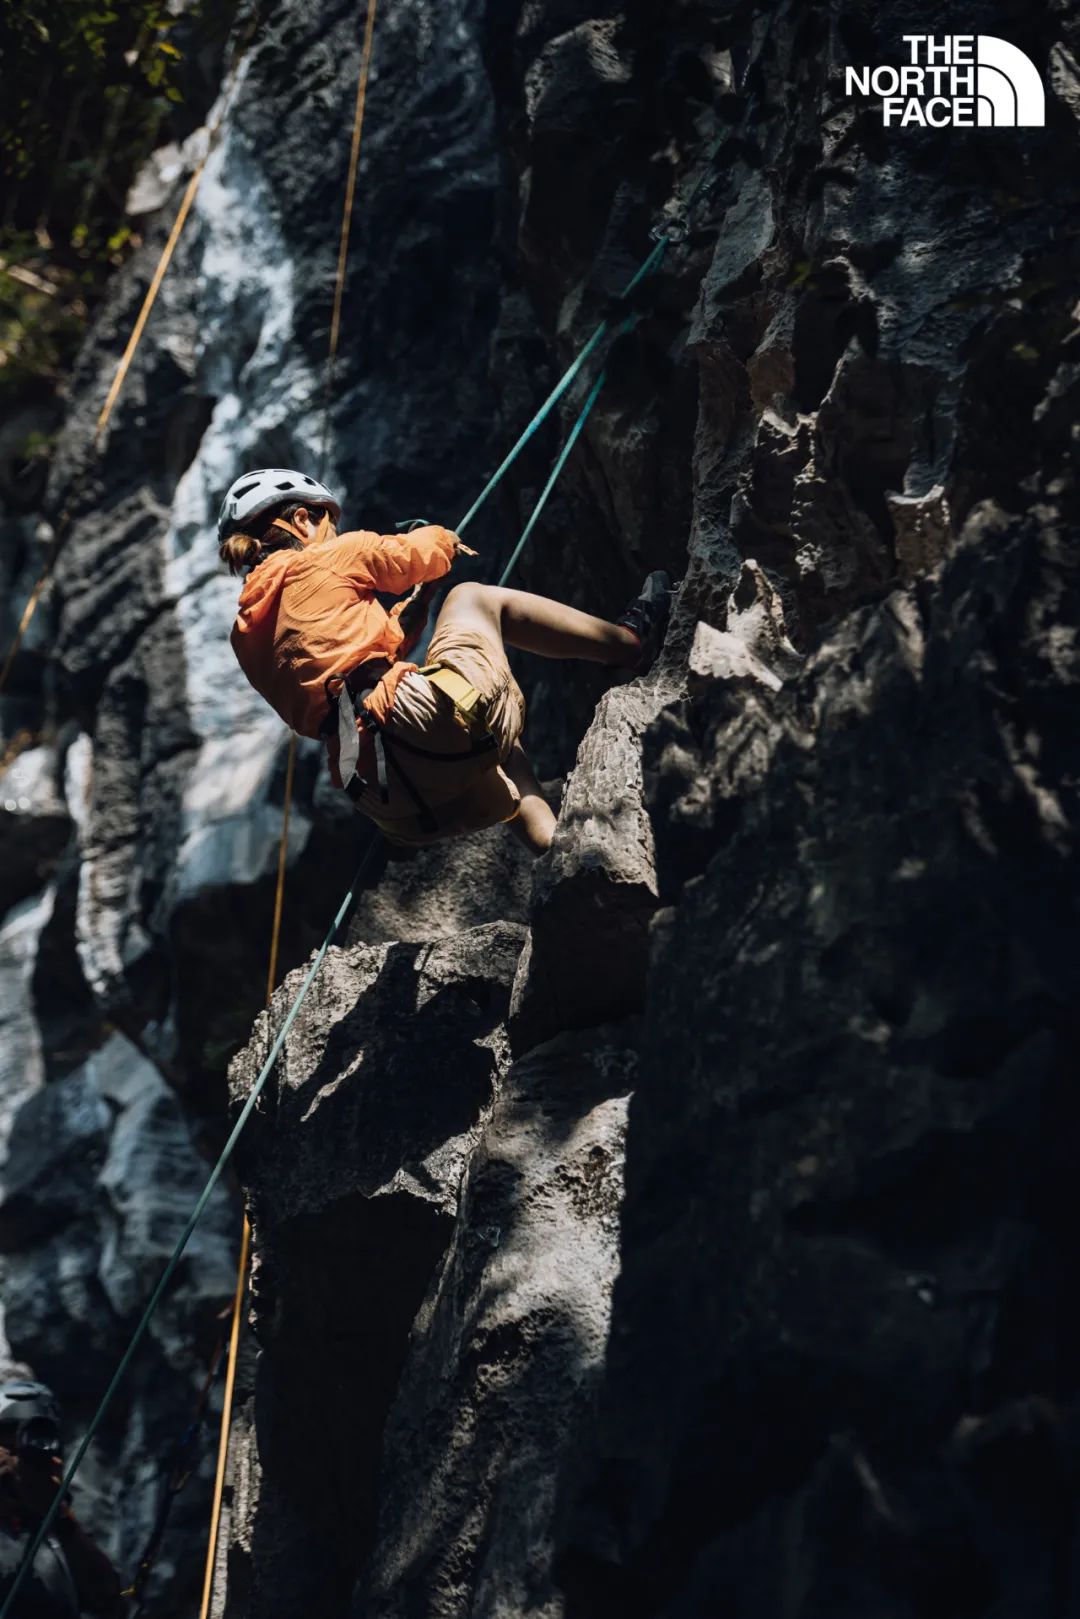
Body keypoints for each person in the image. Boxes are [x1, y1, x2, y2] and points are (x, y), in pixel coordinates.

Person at [219, 468, 672, 854]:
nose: (333, 532)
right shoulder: (328, 557)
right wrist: (438, 540)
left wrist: (416, 608)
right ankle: (629, 641)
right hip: (421, 729)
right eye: (328, 523)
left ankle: (554, 850)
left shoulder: (247, 636)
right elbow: (420, 554)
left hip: (391, 800)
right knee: (472, 599)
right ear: (302, 519)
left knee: (500, 750)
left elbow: (347, 671)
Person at [0, 1380, 125, 1618]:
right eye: (8, 1443)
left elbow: (110, 1602)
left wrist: (57, 1513)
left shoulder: (59, 1529)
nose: (20, 1459)